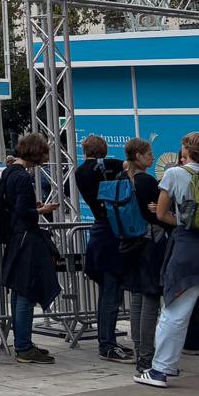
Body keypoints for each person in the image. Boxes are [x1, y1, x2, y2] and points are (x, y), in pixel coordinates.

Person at [136, 133, 199, 391]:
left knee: (175, 313)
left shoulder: (174, 174)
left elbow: (161, 213)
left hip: (187, 251)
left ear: (188, 151)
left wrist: (183, 221)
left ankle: (160, 370)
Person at [0, 133, 61, 364]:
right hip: (26, 237)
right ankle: (24, 347)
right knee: (26, 292)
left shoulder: (9, 172)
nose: (46, 156)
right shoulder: (23, 178)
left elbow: (13, 207)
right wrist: (40, 211)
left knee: (18, 292)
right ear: (36, 152)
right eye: (44, 152)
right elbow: (22, 212)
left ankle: (22, 342)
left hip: (16, 237)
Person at [74, 135, 132, 362]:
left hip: (98, 234)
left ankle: (106, 340)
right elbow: (129, 166)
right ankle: (107, 343)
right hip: (112, 234)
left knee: (108, 294)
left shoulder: (80, 172)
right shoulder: (112, 165)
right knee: (111, 294)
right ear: (105, 150)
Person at [117, 138, 167, 377]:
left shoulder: (120, 179)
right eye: (149, 154)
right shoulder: (146, 181)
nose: (152, 157)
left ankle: (140, 351)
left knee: (136, 297)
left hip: (128, 242)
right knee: (150, 298)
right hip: (150, 242)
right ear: (138, 156)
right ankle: (146, 358)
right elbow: (160, 213)